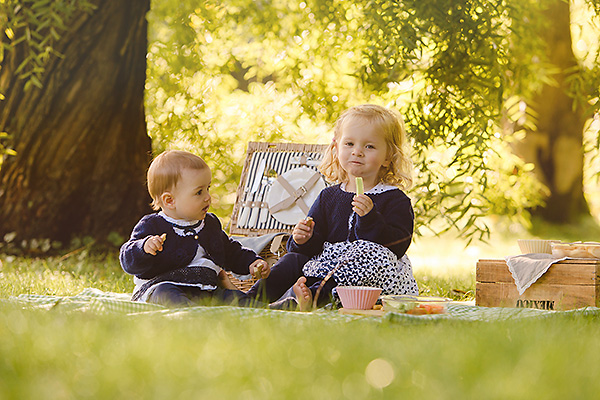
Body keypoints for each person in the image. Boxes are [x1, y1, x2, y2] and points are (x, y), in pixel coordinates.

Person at [247, 104, 418, 310]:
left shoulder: (395, 199)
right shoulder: (329, 196)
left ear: (388, 156)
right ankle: (253, 298)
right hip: (324, 267)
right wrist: (303, 239)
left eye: (369, 146)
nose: (357, 152)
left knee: (367, 254)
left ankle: (311, 298)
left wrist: (371, 219)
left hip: (370, 278)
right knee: (293, 258)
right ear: (336, 148)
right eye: (349, 144)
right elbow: (314, 245)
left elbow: (398, 246)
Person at [120, 150, 270, 307]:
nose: (207, 197)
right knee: (166, 294)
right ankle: (188, 314)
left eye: (208, 188)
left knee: (233, 297)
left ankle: (268, 310)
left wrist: (251, 262)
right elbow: (127, 258)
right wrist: (143, 247)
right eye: (199, 192)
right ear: (170, 200)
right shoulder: (152, 225)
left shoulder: (210, 223)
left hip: (207, 291)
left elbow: (231, 251)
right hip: (164, 286)